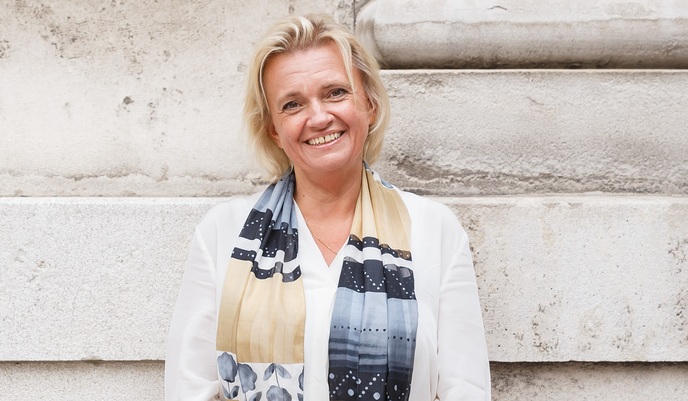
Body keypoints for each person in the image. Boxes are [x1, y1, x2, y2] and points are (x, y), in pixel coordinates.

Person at [165, 14, 490, 401]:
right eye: (292, 104)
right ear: (274, 129)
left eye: (335, 93)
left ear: (369, 104)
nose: (319, 117)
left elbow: (466, 390)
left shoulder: (433, 230)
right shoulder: (225, 233)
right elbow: (189, 388)